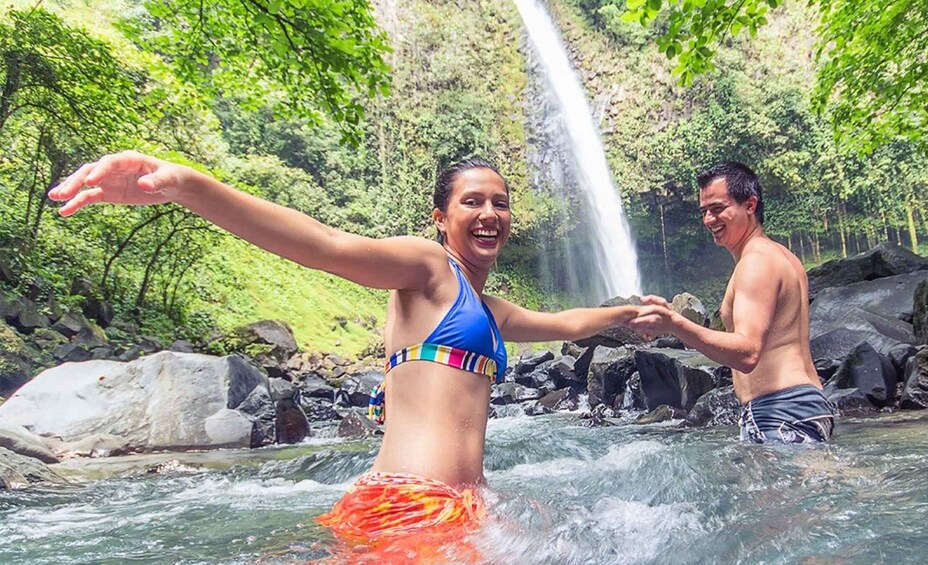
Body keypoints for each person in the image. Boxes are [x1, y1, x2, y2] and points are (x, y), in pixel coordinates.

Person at [48, 151, 651, 557]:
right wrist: (190, 187)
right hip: (412, 503)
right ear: (440, 220)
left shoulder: (489, 310)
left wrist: (628, 313)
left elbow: (566, 322)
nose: (490, 213)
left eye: (500, 202)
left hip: (462, 504)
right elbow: (325, 246)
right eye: (472, 202)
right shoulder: (427, 267)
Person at [630, 161, 834, 444]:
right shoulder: (781, 256)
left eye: (717, 209)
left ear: (750, 205)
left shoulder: (756, 263)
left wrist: (674, 324)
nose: (708, 220)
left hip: (780, 410)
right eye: (704, 212)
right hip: (803, 404)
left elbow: (747, 353)